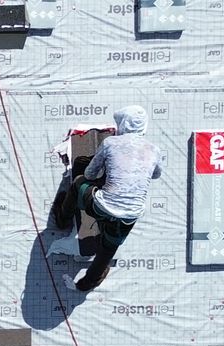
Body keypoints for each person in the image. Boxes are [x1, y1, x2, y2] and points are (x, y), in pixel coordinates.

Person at [52, 105, 164, 292]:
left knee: (78, 184)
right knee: (108, 249)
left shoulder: (110, 143)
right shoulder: (154, 150)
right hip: (130, 215)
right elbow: (156, 174)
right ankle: (88, 282)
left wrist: (105, 171)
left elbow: (89, 173)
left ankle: (62, 219)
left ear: (122, 124)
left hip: (101, 206)